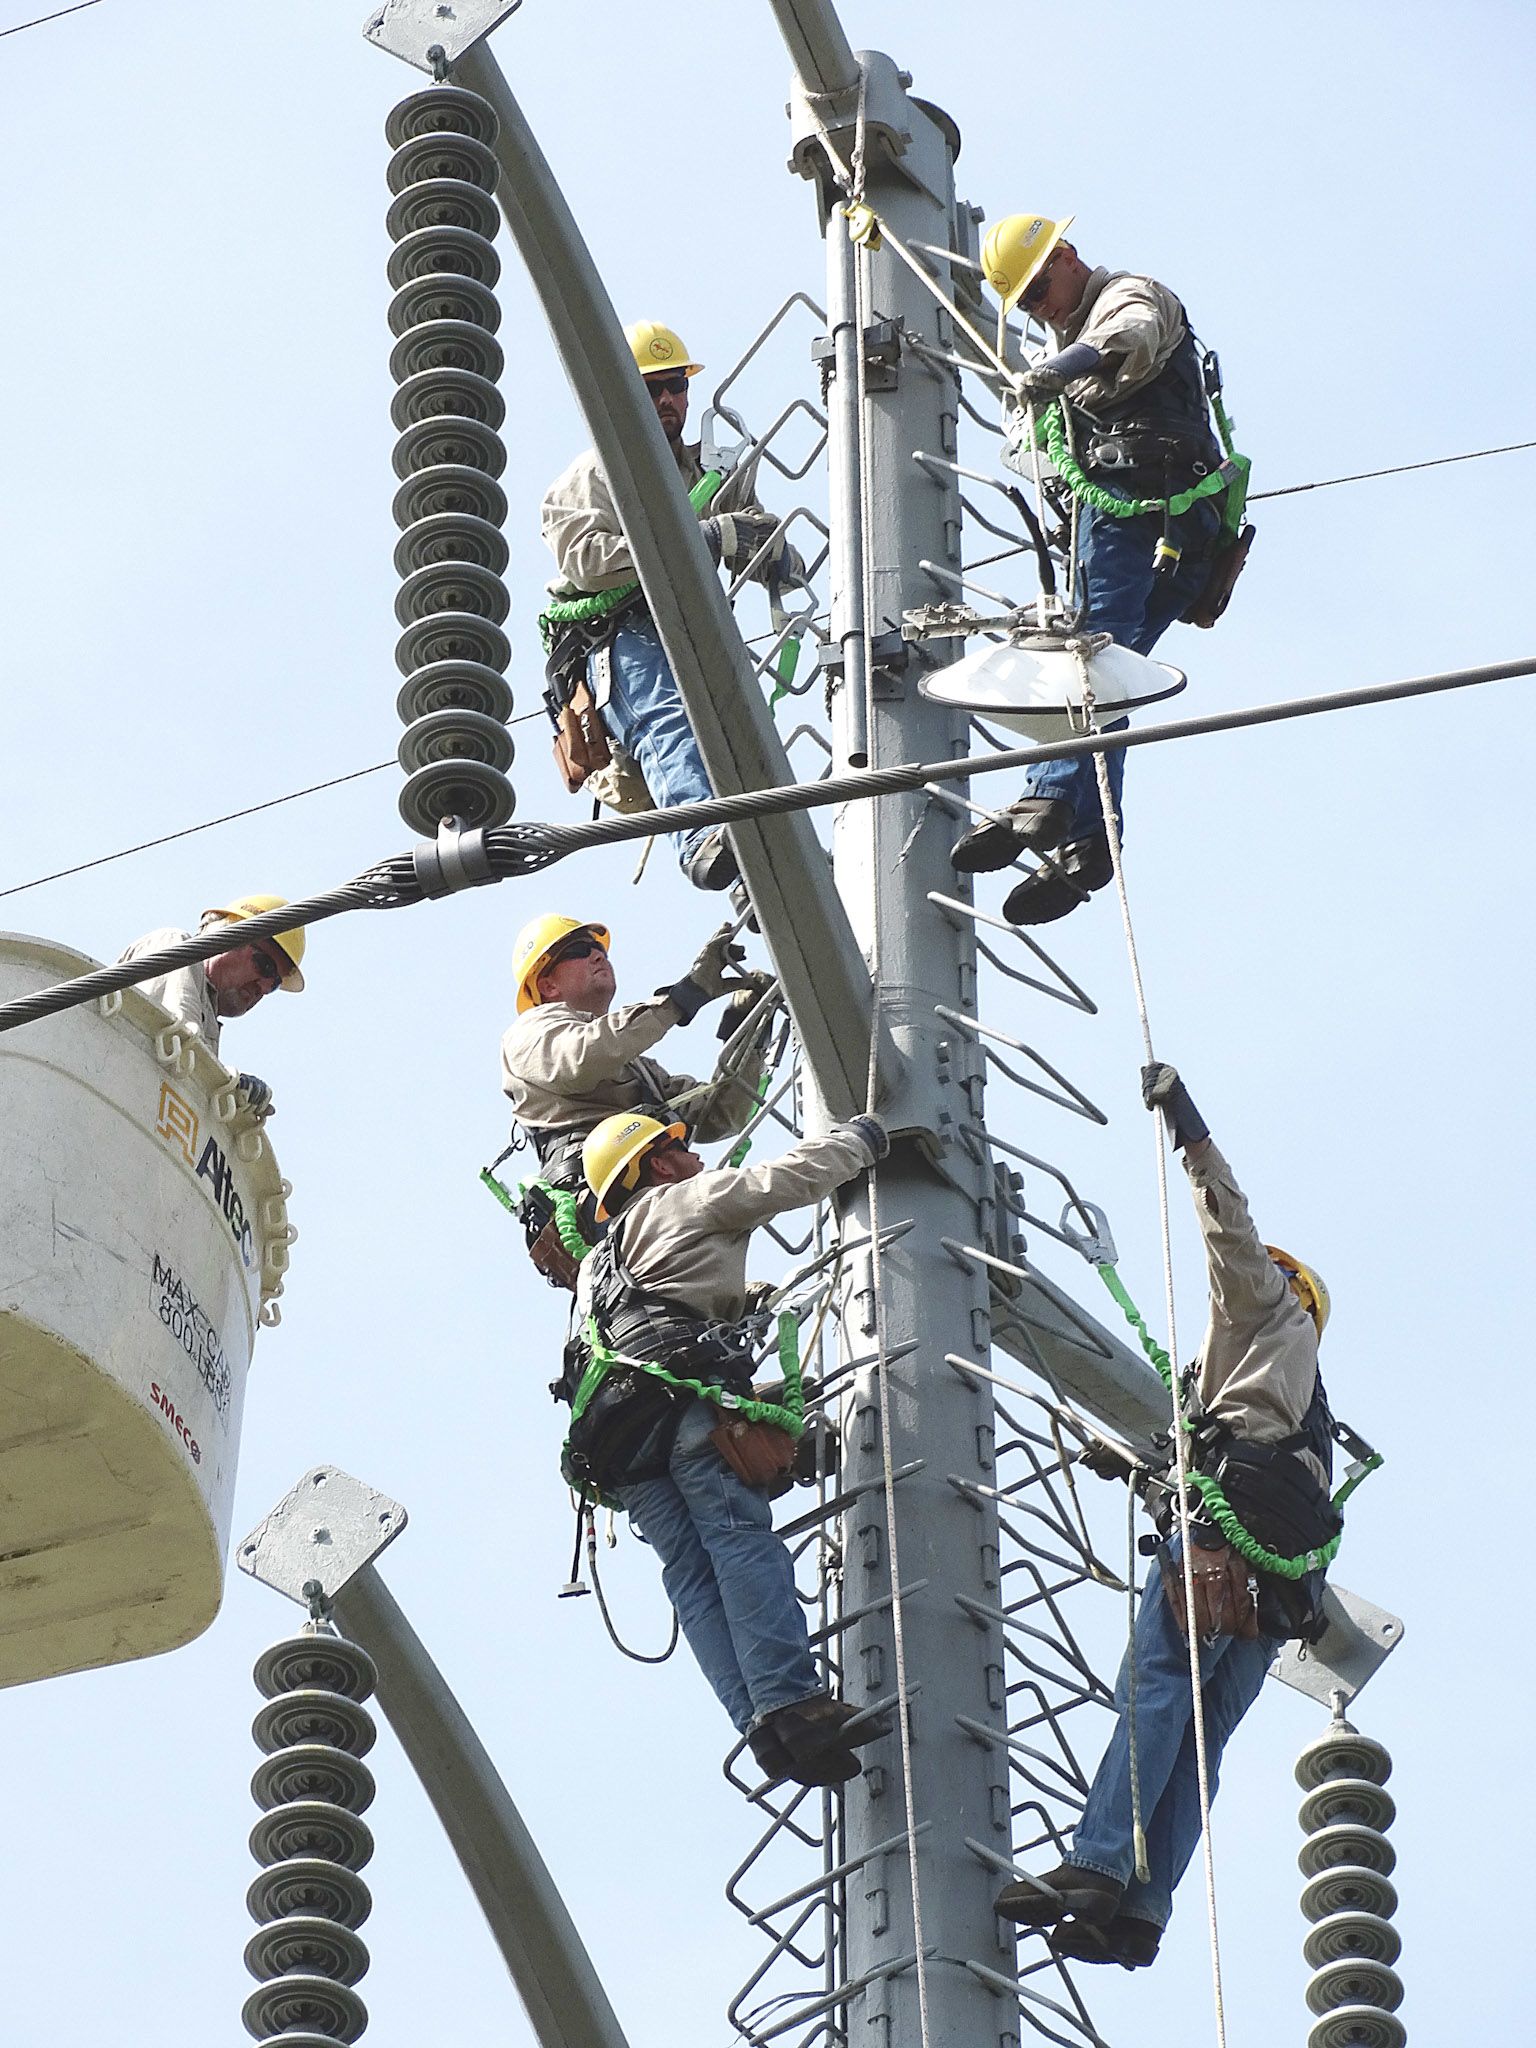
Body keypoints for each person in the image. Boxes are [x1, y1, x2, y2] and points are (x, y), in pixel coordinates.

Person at [995, 1062, 1340, 1968]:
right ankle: (1142, 1910)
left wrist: (1188, 1126)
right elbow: (1226, 1464)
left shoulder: (1264, 1307)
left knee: (1152, 1694)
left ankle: (1096, 1866)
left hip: (1221, 1549)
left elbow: (1230, 1224)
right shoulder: (1305, 1404)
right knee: (1198, 1736)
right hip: (1274, 1589)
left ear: (1285, 1284)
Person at [563, 1107, 891, 1785]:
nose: (695, 1159)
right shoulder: (683, 1199)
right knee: (738, 1539)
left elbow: (658, 1301)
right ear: (657, 1164)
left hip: (614, 1437)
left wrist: (741, 1302)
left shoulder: (596, 1266)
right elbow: (786, 1180)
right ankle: (793, 1703)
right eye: (681, 1150)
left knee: (691, 1576)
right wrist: (862, 1140)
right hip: (674, 1407)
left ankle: (764, 1727)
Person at [953, 215, 1231, 925]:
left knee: (1086, 651)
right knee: (1113, 671)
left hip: (1138, 504)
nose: (1041, 306)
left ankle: (1046, 798)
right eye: (1028, 302)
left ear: (1068, 258)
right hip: (1170, 521)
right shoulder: (1060, 347)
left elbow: (1129, 337)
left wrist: (1059, 370)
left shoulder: (1125, 297)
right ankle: (1088, 842)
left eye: (1042, 286)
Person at [540, 320, 803, 892]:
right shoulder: (591, 476)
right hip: (621, 635)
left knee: (745, 744)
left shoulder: (706, 471)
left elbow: (756, 533)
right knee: (670, 722)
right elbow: (588, 561)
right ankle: (701, 841)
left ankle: (771, 884)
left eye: (676, 387)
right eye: (652, 386)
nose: (667, 400)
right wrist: (705, 538)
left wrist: (775, 551)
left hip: (697, 628)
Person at [500, 912, 774, 1208]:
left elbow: (720, 1117)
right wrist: (683, 997)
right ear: (548, 986)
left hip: (657, 1198)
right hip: (605, 1201)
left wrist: (746, 1032)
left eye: (599, 949)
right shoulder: (528, 1033)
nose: (596, 955)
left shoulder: (636, 1066)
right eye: (579, 951)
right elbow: (582, 1060)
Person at [117, 893, 306, 1114]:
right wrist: (225, 1085)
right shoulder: (173, 945)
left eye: (274, 983)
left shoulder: (208, 1022)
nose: (263, 988)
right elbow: (178, 1042)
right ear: (228, 936)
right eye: (264, 966)